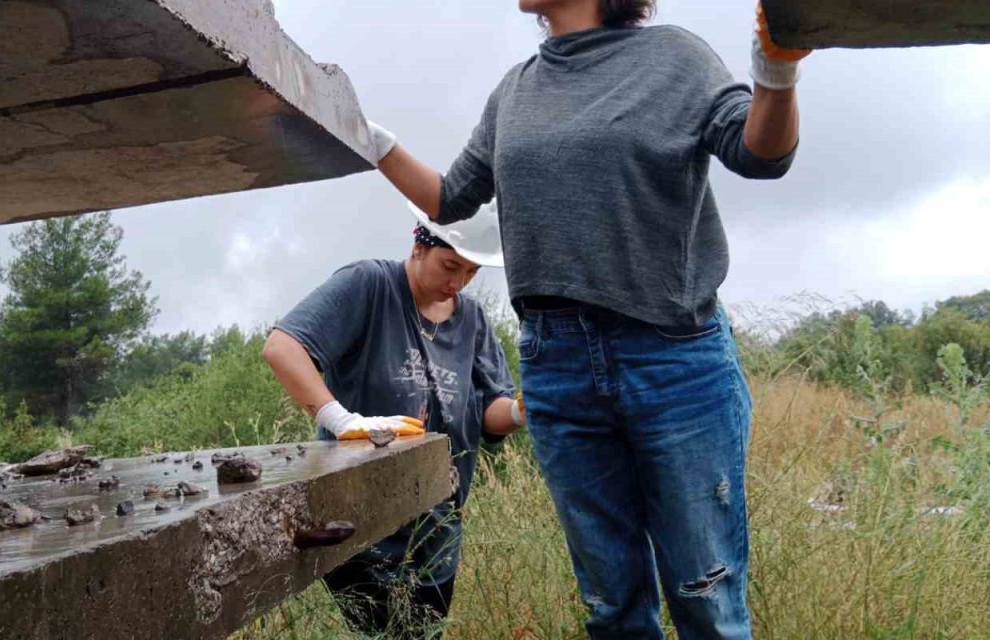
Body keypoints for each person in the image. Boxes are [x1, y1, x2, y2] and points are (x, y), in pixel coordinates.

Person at [356, 1, 810, 638]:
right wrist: (370, 140)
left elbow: (761, 154)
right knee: (613, 606)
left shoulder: (675, 57)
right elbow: (450, 197)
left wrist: (776, 72)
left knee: (705, 596)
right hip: (557, 367)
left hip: (673, 359)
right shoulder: (515, 90)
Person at [262, 203, 526, 639]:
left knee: (425, 634)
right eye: (450, 266)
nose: (458, 283)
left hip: (438, 527)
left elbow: (491, 414)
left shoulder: (473, 319)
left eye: (471, 272)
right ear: (419, 245)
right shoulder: (370, 284)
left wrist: (521, 409)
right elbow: (282, 348)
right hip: (358, 520)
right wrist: (342, 420)